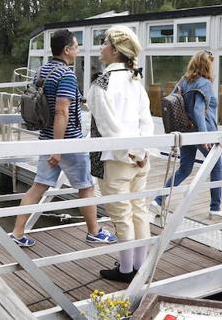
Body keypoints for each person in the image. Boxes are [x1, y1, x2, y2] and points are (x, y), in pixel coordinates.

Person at [11, 29, 116, 247]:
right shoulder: (66, 74)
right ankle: (94, 231)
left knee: (38, 187)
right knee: (86, 187)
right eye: (76, 46)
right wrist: (58, 149)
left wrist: (53, 146)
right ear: (67, 50)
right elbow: (62, 112)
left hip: (47, 138)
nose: (78, 50)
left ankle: (17, 233)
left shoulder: (42, 71)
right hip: (68, 142)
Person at [88, 25, 154, 283]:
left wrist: (127, 152)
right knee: (139, 210)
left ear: (115, 51)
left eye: (104, 44)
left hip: (114, 159)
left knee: (121, 215)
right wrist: (141, 151)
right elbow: (145, 121)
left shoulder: (100, 83)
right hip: (140, 159)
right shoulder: (135, 80)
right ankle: (140, 266)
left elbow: (107, 127)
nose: (101, 48)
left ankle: (126, 271)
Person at [150, 51, 222, 218]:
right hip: (202, 132)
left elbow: (172, 100)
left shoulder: (184, 81)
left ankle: (158, 200)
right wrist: (204, 136)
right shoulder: (205, 83)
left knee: (185, 169)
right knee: (216, 165)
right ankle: (215, 208)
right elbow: (198, 110)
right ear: (207, 66)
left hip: (186, 131)